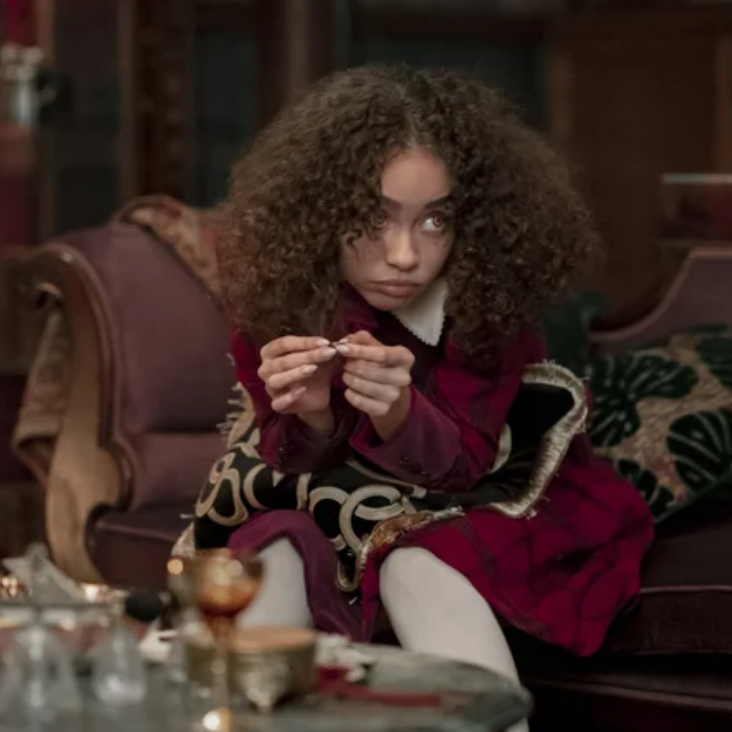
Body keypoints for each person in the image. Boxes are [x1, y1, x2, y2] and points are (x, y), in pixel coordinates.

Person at [193, 64, 654, 722]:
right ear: (321, 214)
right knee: (268, 558)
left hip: (487, 498)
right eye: (373, 220)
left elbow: (465, 468)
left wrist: (399, 411)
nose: (405, 255)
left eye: (435, 222)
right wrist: (313, 413)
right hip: (330, 498)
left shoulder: (486, 304)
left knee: (420, 566)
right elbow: (286, 459)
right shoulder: (282, 292)